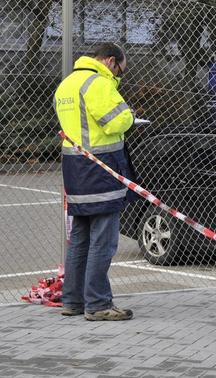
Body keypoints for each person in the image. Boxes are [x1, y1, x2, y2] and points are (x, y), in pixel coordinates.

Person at [54, 43, 135, 321]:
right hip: (102, 171)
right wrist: (131, 116)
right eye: (121, 71)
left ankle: (73, 300)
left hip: (76, 172)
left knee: (79, 239)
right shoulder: (98, 84)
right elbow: (115, 122)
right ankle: (98, 304)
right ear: (111, 61)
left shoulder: (66, 85)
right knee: (103, 241)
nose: (120, 77)